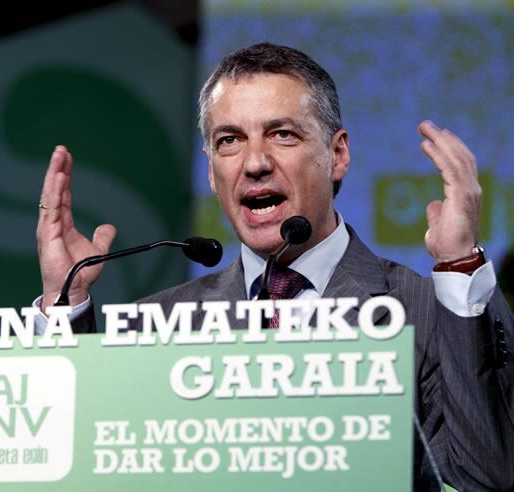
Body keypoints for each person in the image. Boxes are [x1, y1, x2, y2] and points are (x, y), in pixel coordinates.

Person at [35, 43, 513, 490]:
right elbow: (70, 461)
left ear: (337, 154)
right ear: (210, 170)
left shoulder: (423, 313)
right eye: (230, 140)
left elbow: (485, 472)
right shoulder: (159, 327)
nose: (255, 162)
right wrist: (67, 302)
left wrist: (458, 263)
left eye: (282, 134)